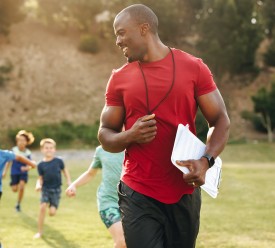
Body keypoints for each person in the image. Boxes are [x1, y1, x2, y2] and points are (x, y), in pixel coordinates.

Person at [97, 4, 230, 248]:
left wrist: (206, 160)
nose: (117, 41)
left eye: (121, 32)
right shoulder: (119, 78)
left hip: (184, 191)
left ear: (144, 28)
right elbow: (105, 134)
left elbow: (220, 119)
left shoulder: (194, 67)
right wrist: (130, 135)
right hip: (137, 192)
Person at [66, 145, 126, 248]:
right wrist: (74, 185)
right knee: (122, 241)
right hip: (108, 201)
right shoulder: (101, 150)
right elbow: (90, 173)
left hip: (129, 203)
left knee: (129, 242)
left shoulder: (132, 148)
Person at [33, 138, 71, 239]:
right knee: (42, 208)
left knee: (52, 213)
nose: (48, 150)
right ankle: (39, 232)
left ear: (54, 149)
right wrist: (38, 185)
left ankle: (53, 208)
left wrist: (69, 182)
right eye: (46, 148)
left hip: (56, 190)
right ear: (42, 150)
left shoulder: (59, 161)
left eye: (51, 148)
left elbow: (65, 172)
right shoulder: (40, 165)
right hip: (45, 189)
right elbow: (40, 178)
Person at [3, 130, 35, 211]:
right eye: (19, 140)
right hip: (14, 172)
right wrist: (5, 172)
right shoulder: (13, 150)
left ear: (26, 142)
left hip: (23, 173)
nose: (21, 142)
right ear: (17, 141)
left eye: (23, 140)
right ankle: (14, 186)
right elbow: (8, 162)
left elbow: (31, 164)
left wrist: (26, 168)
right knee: (14, 189)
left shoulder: (28, 153)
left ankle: (18, 204)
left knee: (21, 187)